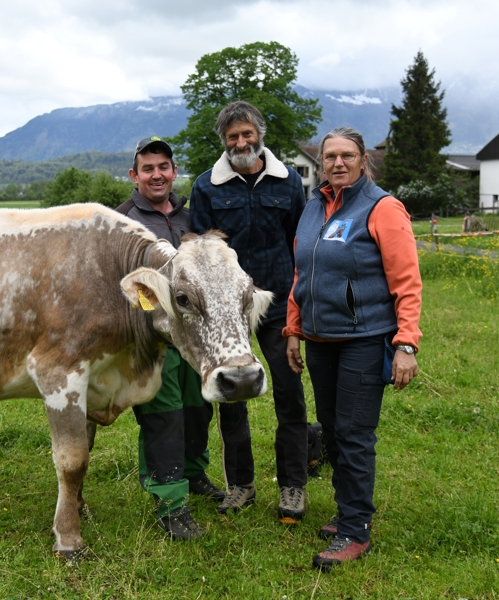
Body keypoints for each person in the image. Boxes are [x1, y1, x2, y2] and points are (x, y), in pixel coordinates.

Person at [284, 126, 422, 571]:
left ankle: (355, 529)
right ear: (321, 162)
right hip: (321, 342)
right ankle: (348, 511)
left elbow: (407, 282)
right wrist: (293, 329)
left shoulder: (383, 208)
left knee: (355, 433)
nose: (338, 163)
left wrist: (406, 343)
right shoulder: (312, 209)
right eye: (330, 156)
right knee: (332, 429)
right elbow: (301, 275)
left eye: (347, 155)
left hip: (365, 338)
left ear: (363, 160)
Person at [188, 101, 310, 525]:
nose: (241, 142)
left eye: (247, 134)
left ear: (260, 133)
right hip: (230, 309)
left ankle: (293, 487)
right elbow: (201, 253)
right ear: (223, 141)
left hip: (276, 304)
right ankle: (241, 485)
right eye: (232, 136)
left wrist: (298, 301)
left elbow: (300, 242)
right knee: (232, 398)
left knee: (288, 393)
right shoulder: (207, 187)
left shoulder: (289, 181)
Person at [116, 136, 227, 541]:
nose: (157, 174)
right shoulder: (123, 220)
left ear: (174, 171)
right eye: (148, 168)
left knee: (198, 406)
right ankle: (170, 503)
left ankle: (195, 474)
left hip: (192, 334)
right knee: (164, 416)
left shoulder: (190, 218)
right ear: (135, 175)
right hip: (149, 337)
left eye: (163, 166)